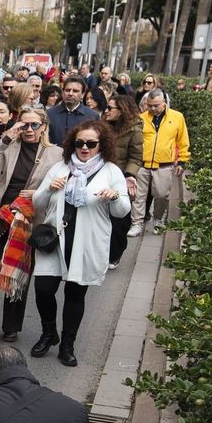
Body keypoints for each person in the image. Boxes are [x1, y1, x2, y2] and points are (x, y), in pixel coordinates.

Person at [29, 120, 131, 366]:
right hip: (55, 239)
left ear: (101, 145)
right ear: (72, 144)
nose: (85, 148)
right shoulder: (60, 168)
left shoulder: (110, 172)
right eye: (80, 143)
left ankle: (67, 344)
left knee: (75, 294)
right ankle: (48, 332)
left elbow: (122, 211)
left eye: (91, 144)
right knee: (43, 289)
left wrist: (114, 196)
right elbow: (37, 203)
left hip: (86, 241)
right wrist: (49, 189)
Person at [0, 107, 62, 341]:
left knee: (18, 272)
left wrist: (38, 192)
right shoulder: (9, 145)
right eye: (24, 125)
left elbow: (61, 187)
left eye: (34, 125)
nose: (29, 130)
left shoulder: (56, 154)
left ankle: (11, 327)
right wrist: (6, 138)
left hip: (27, 218)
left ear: (44, 128)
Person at [133, 88, 190, 235]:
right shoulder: (142, 118)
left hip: (164, 164)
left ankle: (158, 219)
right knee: (138, 196)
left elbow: (183, 140)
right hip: (142, 163)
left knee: (162, 194)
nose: (152, 108)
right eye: (150, 105)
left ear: (164, 103)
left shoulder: (177, 117)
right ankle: (137, 223)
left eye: (156, 105)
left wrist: (182, 160)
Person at [102, 92, 144, 266]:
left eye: (110, 108)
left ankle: (115, 254)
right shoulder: (102, 125)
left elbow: (136, 157)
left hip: (121, 178)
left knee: (120, 221)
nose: (106, 111)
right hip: (101, 175)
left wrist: (129, 175)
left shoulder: (134, 129)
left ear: (122, 110)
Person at [45, 76, 99, 147]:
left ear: (83, 94)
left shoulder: (92, 116)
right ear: (63, 92)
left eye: (75, 91)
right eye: (67, 90)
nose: (70, 93)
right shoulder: (49, 113)